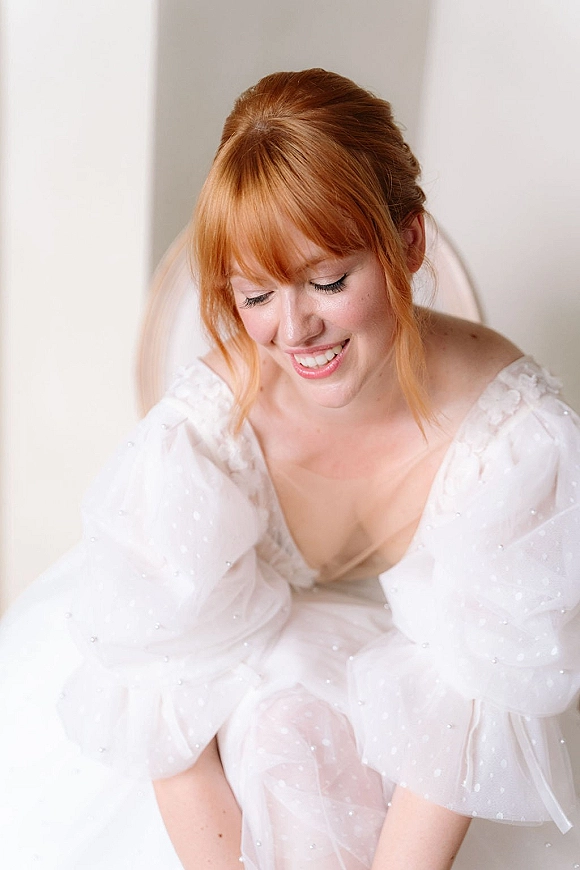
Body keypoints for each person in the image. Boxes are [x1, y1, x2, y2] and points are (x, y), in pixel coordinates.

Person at [1, 68, 580, 870]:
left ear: (408, 243)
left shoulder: (517, 442)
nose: (295, 330)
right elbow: (166, 708)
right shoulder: (205, 435)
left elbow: (469, 705)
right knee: (283, 735)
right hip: (228, 680)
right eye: (255, 296)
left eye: (329, 281)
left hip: (418, 721)